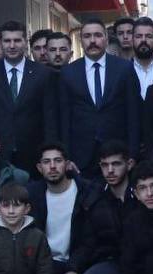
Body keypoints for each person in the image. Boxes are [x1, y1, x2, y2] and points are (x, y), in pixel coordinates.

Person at [0, 21, 59, 172]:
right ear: (1, 42)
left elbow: (50, 118)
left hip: (34, 154)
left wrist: (51, 153)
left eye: (17, 40)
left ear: (25, 42)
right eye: (7, 41)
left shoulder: (43, 74)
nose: (12, 46)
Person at [59, 18, 141, 169]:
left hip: (117, 152)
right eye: (87, 36)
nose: (92, 41)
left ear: (106, 39)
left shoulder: (124, 69)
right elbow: (64, 118)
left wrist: (133, 153)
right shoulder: (68, 72)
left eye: (97, 35)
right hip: (80, 154)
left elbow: (134, 113)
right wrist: (66, 157)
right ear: (81, 41)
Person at [27, 143, 95, 274]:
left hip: (76, 260)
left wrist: (74, 268)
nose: (52, 166)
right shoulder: (33, 193)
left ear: (67, 164)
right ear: (39, 168)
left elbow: (90, 240)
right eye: (47, 162)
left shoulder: (85, 192)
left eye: (57, 161)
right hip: (46, 261)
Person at [77, 141, 137, 274]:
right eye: (105, 165)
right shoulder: (96, 199)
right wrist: (73, 268)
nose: (110, 170)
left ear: (129, 164)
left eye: (116, 164)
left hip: (141, 261)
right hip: (113, 260)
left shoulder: (142, 193)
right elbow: (88, 241)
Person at [130, 17, 153, 99]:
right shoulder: (120, 71)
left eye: (149, 36)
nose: (143, 40)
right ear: (132, 41)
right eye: (138, 36)